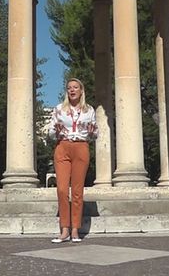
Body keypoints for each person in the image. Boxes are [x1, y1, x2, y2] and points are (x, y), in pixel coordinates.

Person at [48, 78, 98, 243]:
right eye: (69, 88)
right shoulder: (59, 109)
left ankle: (75, 229)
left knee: (77, 190)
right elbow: (50, 133)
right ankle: (64, 229)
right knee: (62, 190)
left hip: (81, 147)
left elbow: (95, 134)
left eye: (75, 87)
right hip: (62, 146)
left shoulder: (89, 110)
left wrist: (92, 132)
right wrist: (56, 131)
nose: (72, 90)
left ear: (81, 90)